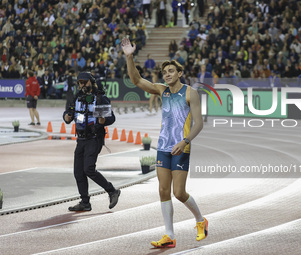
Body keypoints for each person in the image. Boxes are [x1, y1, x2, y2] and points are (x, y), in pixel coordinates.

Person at [121, 37, 207, 248]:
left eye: (171, 72)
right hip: (163, 147)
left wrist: (185, 141)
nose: (167, 75)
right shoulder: (162, 91)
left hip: (181, 147)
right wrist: (129, 57)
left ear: (179, 74)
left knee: (179, 192)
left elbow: (199, 124)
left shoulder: (190, 93)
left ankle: (200, 220)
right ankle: (169, 235)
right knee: (162, 191)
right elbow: (137, 81)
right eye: (164, 72)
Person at [63, 72, 121, 212]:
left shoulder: (100, 98)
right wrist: (66, 117)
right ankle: (85, 202)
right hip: (81, 139)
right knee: (78, 172)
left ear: (91, 82)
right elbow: (67, 113)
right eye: (79, 82)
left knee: (88, 169)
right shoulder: (77, 97)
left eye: (84, 82)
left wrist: (103, 121)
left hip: (95, 138)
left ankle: (112, 191)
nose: (81, 85)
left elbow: (111, 118)